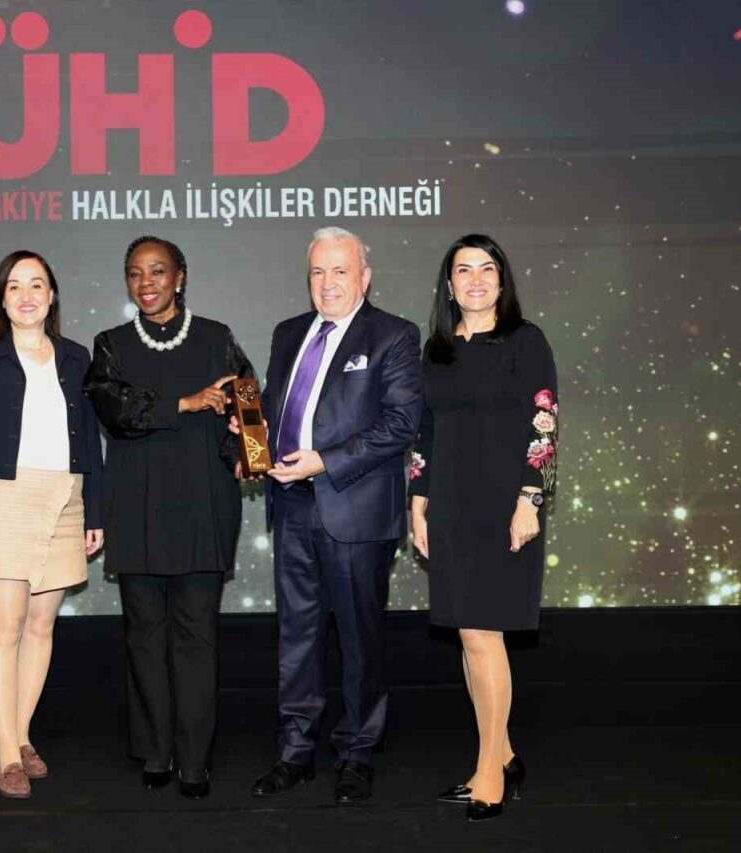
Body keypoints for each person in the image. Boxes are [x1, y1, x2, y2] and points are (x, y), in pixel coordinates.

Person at [242, 226, 422, 805]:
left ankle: (356, 754)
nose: (328, 283)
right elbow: (275, 409)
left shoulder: (394, 335)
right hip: (292, 506)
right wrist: (250, 444)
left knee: (358, 639)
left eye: (340, 271)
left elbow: (401, 424)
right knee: (296, 638)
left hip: (355, 510)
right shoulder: (288, 332)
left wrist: (325, 461)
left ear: (364, 277)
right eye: (318, 272)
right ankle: (294, 751)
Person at [85, 235, 253, 800]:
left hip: (203, 506)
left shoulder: (217, 338)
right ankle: (156, 751)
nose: (146, 283)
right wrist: (184, 403)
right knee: (144, 637)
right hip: (137, 508)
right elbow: (115, 411)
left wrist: (246, 452)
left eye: (158, 271)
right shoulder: (110, 345)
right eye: (135, 273)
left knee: (196, 638)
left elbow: (248, 406)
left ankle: (195, 759)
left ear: (180, 276)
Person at [408, 234, 558, 822]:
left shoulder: (526, 340)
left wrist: (530, 499)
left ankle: (489, 772)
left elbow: (544, 422)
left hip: (504, 508)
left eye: (486, 268)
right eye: (463, 270)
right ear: (448, 285)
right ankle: (503, 755)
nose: (475, 279)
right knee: (471, 640)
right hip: (450, 507)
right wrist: (417, 502)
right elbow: (425, 431)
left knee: (482, 635)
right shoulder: (437, 349)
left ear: (502, 280)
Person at [0, 250, 104, 799]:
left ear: (52, 295)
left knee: (41, 626)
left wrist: (95, 511)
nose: (26, 295)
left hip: (65, 498)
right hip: (0, 499)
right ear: (2, 297)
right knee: (4, 629)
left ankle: (22, 735)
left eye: (37, 284)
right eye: (14, 286)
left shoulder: (76, 357)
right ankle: (6, 753)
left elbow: (90, 438)